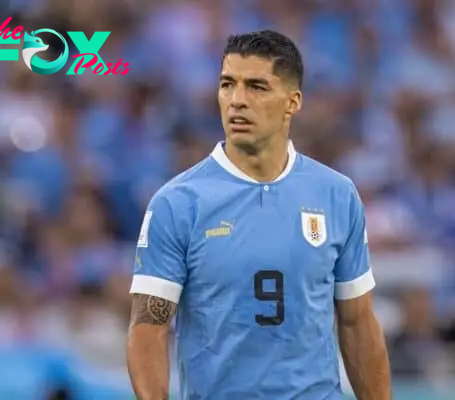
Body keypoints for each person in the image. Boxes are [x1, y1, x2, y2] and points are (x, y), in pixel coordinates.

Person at [126, 29, 391, 400]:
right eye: (227, 84)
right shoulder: (177, 203)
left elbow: (357, 321)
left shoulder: (336, 195)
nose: (237, 100)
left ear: (292, 101)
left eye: (257, 87)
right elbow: (149, 326)